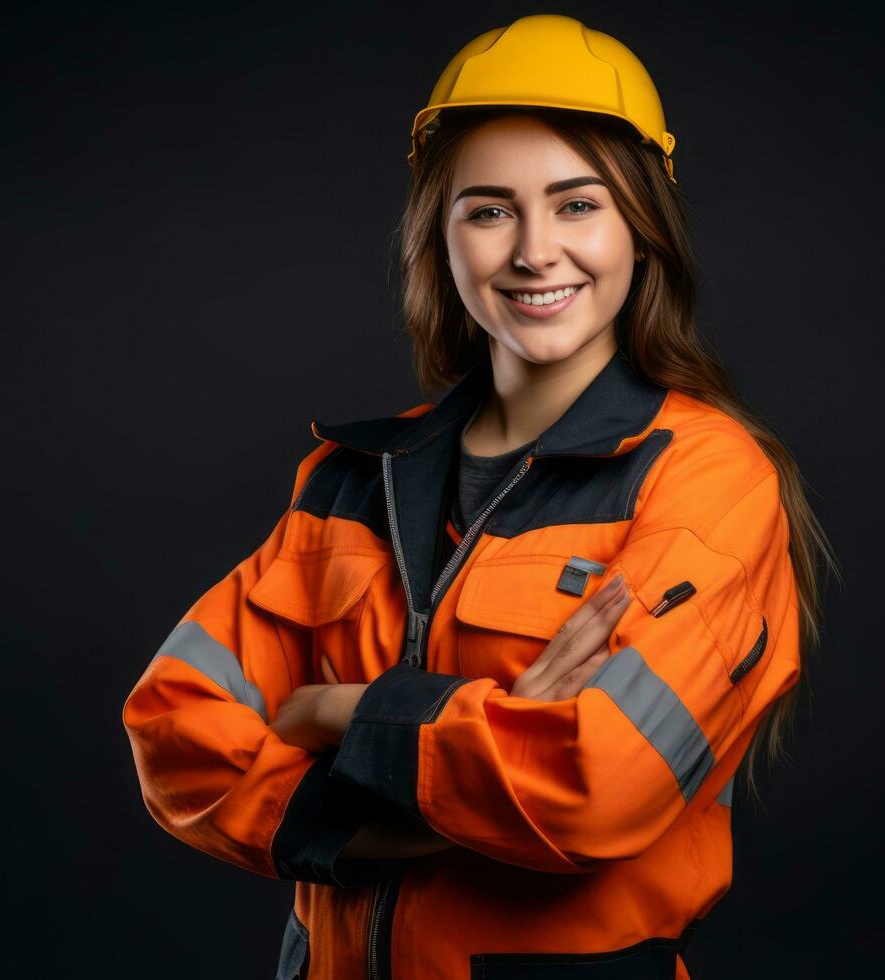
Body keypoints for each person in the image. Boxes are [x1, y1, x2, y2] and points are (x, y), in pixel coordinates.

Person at [123, 13, 836, 979]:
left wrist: (335, 711)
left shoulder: (702, 477)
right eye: (491, 209)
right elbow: (177, 737)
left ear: (641, 226)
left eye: (578, 204)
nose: (535, 251)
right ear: (442, 235)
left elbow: (596, 784)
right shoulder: (347, 482)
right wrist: (465, 763)